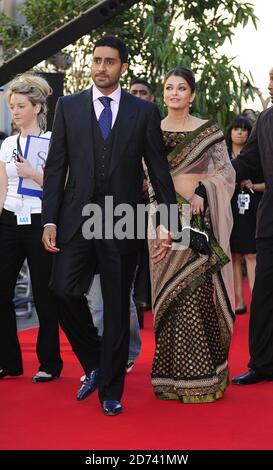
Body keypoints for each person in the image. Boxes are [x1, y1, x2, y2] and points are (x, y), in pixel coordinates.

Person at [41, 36, 177, 416]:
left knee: (117, 306)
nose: (101, 67)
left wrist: (166, 222)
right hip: (76, 218)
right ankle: (96, 361)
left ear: (122, 67)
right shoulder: (67, 106)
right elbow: (55, 169)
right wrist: (49, 218)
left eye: (110, 61)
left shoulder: (143, 112)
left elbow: (159, 171)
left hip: (123, 220)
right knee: (62, 290)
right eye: (97, 60)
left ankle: (111, 391)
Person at [148, 66, 235, 403]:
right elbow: (148, 179)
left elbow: (226, 172)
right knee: (166, 297)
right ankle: (168, 378)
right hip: (159, 221)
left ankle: (202, 376)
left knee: (195, 296)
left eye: (181, 88)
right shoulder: (151, 130)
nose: (174, 93)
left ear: (192, 94)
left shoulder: (207, 130)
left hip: (197, 225)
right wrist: (161, 222)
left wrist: (203, 188)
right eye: (169, 87)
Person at [0, 73, 63, 382]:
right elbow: (2, 187)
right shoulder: (7, 144)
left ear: (38, 107)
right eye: (12, 106)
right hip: (9, 220)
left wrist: (34, 174)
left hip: (40, 221)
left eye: (21, 105)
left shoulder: (53, 141)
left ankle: (50, 363)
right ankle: (9, 362)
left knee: (44, 294)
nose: (15, 112)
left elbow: (64, 185)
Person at [232, 67, 273, 385]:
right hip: (270, 221)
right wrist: (218, 176)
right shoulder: (267, 119)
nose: (270, 86)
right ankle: (262, 363)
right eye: (270, 79)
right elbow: (249, 160)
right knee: (264, 295)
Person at [227, 116, 265, 314]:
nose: (240, 132)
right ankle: (238, 302)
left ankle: (257, 301)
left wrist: (253, 186)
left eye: (244, 129)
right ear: (230, 131)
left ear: (250, 133)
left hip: (253, 208)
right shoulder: (222, 155)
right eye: (236, 128)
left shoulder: (258, 154)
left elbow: (268, 182)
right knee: (233, 255)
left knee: (251, 254)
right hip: (230, 209)